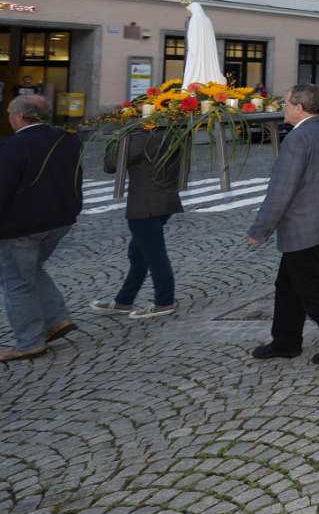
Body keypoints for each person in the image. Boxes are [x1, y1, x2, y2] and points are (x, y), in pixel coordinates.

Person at [246, 84, 319, 365]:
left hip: (303, 226)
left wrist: (260, 230)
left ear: (299, 107)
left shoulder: (297, 140)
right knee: (287, 285)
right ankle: (285, 341)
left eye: (286, 103)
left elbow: (282, 190)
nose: (283, 108)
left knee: (312, 289)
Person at [0, 95, 82, 361]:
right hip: (60, 221)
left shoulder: (11, 147)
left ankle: (29, 342)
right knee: (32, 269)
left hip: (20, 226)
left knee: (16, 283)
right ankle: (57, 319)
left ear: (19, 117)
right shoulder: (68, 140)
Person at [92, 126, 185, 319]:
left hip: (144, 205)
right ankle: (124, 301)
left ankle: (164, 301)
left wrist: (116, 137)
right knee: (138, 253)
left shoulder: (140, 138)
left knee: (154, 255)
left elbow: (110, 165)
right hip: (165, 201)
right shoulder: (172, 132)